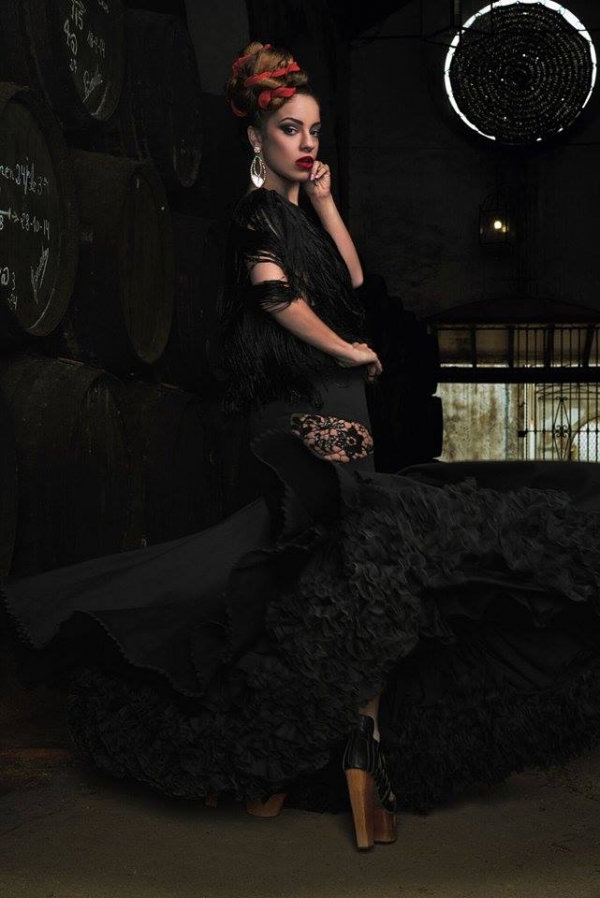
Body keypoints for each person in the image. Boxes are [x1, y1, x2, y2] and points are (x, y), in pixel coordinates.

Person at [2, 42, 600, 853]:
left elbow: (351, 283)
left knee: (348, 574)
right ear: (257, 137)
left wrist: (326, 204)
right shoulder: (254, 217)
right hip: (298, 408)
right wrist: (346, 350)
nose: (307, 143)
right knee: (345, 555)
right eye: (291, 129)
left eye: (315, 130)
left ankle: (322, 754)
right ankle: (350, 748)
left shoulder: (299, 216)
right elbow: (274, 296)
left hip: (342, 407)